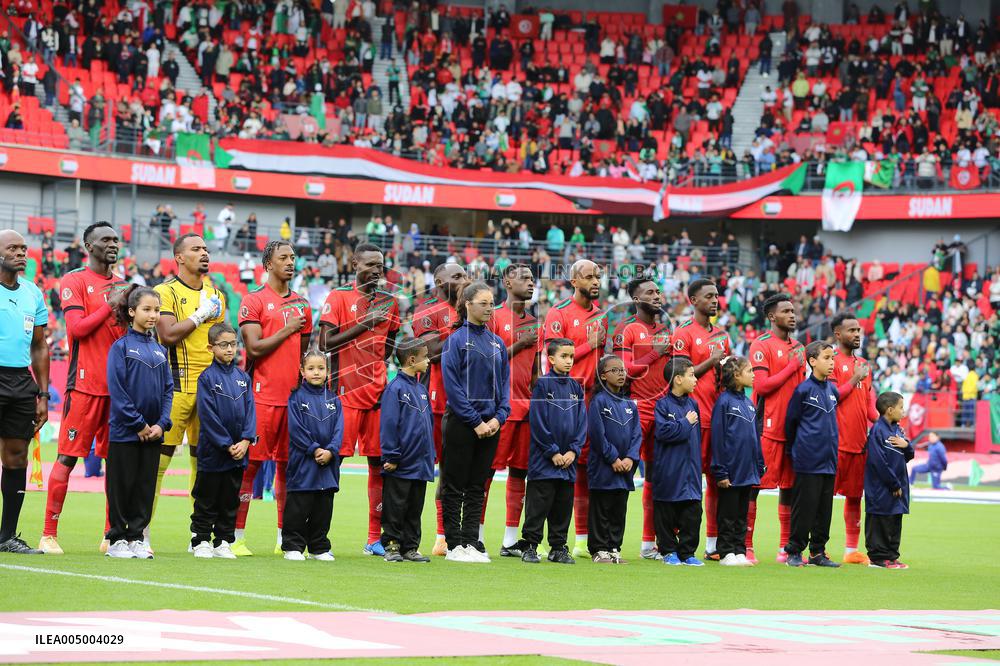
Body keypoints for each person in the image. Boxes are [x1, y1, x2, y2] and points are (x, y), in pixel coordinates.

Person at [41, 222, 126, 555]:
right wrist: (111, 304)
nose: (113, 245)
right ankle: (48, 534)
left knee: (116, 462)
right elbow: (76, 329)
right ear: (89, 246)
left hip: (118, 391)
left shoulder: (125, 286)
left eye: (116, 240)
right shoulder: (75, 280)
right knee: (67, 457)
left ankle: (111, 535)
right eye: (105, 240)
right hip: (85, 385)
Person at [319, 243, 400, 556]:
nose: (377, 270)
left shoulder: (390, 303)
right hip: (345, 394)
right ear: (354, 263)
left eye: (380, 265)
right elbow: (325, 342)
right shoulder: (339, 296)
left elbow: (390, 345)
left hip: (378, 393)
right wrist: (366, 323)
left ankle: (373, 539)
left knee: (379, 465)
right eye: (370, 264)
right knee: (333, 461)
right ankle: (319, 537)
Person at [235, 241, 313, 556]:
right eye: (283, 258)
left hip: (294, 401)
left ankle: (285, 538)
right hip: (261, 399)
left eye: (293, 258)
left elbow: (305, 354)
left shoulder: (303, 305)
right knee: (250, 468)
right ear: (268, 263)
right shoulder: (253, 300)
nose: (291, 263)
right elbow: (254, 349)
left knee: (288, 469)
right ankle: (236, 537)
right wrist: (286, 328)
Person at [150, 234, 226, 549]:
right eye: (196, 249)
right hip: (175, 387)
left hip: (209, 390)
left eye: (206, 249)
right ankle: (138, 533)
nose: (204, 254)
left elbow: (223, 341)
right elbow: (166, 335)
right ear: (179, 257)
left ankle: (200, 537)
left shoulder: (217, 294)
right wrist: (199, 315)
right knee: (158, 464)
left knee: (204, 465)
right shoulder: (164, 292)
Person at [440, 281, 510, 563]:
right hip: (461, 423)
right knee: (454, 484)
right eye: (484, 303)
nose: (490, 308)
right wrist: (475, 421)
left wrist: (498, 418)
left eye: (492, 303)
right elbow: (453, 386)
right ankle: (453, 544)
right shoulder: (456, 340)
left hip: (490, 425)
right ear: (468, 304)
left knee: (477, 486)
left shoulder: (497, 343)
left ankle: (471, 541)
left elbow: (504, 386)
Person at [543, 259, 606, 558]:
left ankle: (581, 540)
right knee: (551, 470)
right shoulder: (558, 313)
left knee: (584, 469)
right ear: (573, 281)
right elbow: (554, 356)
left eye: (598, 277)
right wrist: (590, 344)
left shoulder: (601, 316)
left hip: (592, 401)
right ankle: (540, 538)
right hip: (562, 400)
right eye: (589, 277)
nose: (595, 281)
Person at [105, 286, 173, 559]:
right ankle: (117, 540)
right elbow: (118, 391)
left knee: (145, 487)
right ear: (132, 312)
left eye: (156, 310)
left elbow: (168, 390)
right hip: (125, 433)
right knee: (122, 486)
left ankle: (136, 537)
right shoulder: (120, 347)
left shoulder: (159, 349)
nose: (153, 315)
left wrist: (161, 424)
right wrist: (139, 424)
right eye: (146, 309)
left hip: (154, 434)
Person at [671, 278, 731, 561]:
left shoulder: (722, 335)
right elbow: (680, 373)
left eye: (716, 295)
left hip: (718, 418)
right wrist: (713, 359)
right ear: (693, 301)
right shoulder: (683, 333)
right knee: (688, 481)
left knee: (718, 481)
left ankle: (713, 544)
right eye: (708, 296)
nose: (714, 300)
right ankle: (673, 543)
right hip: (692, 417)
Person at [612, 277, 671, 561]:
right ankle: (609, 544)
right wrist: (654, 353)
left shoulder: (664, 330)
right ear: (636, 299)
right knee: (622, 475)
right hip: (635, 408)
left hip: (661, 410)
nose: (657, 295)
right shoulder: (627, 329)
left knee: (656, 480)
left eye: (658, 291)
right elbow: (624, 370)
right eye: (650, 292)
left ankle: (650, 543)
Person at [412, 262, 468, 556]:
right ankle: (401, 534)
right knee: (421, 471)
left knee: (453, 473)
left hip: (465, 405)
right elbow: (430, 353)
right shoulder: (426, 310)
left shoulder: (475, 311)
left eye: (466, 275)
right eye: (457, 276)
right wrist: (459, 326)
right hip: (433, 403)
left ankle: (444, 536)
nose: (464, 280)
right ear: (438, 281)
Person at [0, 230, 50, 555]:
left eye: (23, 248)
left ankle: (6, 536)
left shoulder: (33, 293)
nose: (21, 253)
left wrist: (43, 395)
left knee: (16, 457)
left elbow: (40, 345)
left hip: (21, 382)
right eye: (12, 248)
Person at [747, 293, 805, 563]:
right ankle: (747, 545)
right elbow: (761, 386)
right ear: (772, 316)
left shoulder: (800, 346)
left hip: (795, 430)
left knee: (791, 488)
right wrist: (793, 365)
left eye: (793, 310)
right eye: (786, 311)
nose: (792, 315)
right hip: (767, 426)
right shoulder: (761, 344)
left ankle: (785, 547)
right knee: (754, 486)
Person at [487, 265, 540, 557]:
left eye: (533, 279)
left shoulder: (534, 322)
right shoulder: (493, 316)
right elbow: (487, 361)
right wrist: (520, 343)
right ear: (507, 282)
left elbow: (535, 372)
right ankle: (476, 536)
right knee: (485, 472)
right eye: (524, 278)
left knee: (521, 472)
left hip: (526, 408)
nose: (531, 283)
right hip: (497, 407)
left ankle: (509, 541)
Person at [190, 323, 255, 559]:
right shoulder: (206, 378)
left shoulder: (242, 378)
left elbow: (250, 412)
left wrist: (246, 441)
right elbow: (207, 415)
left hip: (238, 453)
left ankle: (223, 541)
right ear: (211, 347)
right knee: (206, 498)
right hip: (213, 452)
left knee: (230, 500)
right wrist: (227, 444)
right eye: (223, 345)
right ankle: (201, 539)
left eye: (233, 344)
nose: (229, 349)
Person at [521, 338, 585, 565]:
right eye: (564, 356)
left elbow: (581, 424)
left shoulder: (576, 387)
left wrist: (573, 451)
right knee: (538, 506)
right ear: (550, 359)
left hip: (568, 462)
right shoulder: (543, 385)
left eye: (571, 357)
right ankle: (529, 545)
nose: (569, 361)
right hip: (544, 462)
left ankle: (558, 547)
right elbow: (538, 422)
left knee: (562, 507)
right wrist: (553, 451)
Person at [783, 341, 841, 568]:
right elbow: (791, 423)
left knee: (824, 510)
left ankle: (818, 552)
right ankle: (794, 551)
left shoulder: (833, 390)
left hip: (829, 460)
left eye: (833, 358)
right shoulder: (803, 390)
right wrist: (794, 451)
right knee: (804, 508)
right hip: (808, 460)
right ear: (812, 361)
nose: (831, 362)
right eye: (826, 358)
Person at [282, 350, 343, 561]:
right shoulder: (296, 398)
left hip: (328, 464)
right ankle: (293, 546)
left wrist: (331, 451)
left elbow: (339, 430)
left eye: (320, 368)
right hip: (304, 463)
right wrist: (316, 449)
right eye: (311, 368)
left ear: (327, 371)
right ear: (302, 371)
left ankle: (319, 547)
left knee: (323, 507)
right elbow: (296, 430)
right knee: (299, 505)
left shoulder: (334, 399)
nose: (316, 372)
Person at [379, 337, 434, 563]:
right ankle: (392, 546)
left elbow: (427, 425)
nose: (429, 360)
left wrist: (430, 455)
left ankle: (410, 547)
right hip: (400, 463)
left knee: (414, 508)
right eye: (425, 357)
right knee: (395, 507)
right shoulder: (395, 388)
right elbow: (389, 424)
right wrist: (391, 455)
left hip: (420, 463)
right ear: (412, 360)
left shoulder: (421, 389)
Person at [830, 311, 879, 565]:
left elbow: (869, 407)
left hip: (859, 443)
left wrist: (885, 424)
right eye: (852, 330)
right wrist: (854, 377)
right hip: (835, 443)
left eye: (859, 330)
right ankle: (817, 547)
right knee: (823, 497)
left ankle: (851, 551)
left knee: (854, 497)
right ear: (838, 334)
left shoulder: (864, 366)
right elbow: (831, 397)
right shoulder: (830, 361)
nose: (857, 334)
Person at [711, 356, 764, 567]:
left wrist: (759, 464)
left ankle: (739, 550)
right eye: (749, 370)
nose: (753, 374)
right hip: (731, 471)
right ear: (736, 375)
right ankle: (725, 552)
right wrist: (721, 471)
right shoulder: (724, 402)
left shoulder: (749, 403)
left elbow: (754, 437)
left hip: (747, 470)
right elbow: (718, 437)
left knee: (742, 514)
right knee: (728, 514)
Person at [587, 355, 640, 563]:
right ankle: (599, 549)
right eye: (615, 370)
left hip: (625, 469)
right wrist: (613, 458)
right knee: (601, 508)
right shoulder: (598, 401)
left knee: (619, 509)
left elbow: (637, 435)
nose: (621, 374)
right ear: (603, 376)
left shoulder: (629, 404)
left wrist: (630, 458)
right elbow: (597, 435)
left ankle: (614, 548)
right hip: (604, 467)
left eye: (622, 370)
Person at [652, 357, 704, 567]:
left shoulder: (693, 404)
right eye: (691, 375)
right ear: (678, 379)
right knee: (666, 512)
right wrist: (685, 423)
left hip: (691, 470)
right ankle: (668, 551)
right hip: (669, 470)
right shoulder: (662, 405)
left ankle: (687, 552)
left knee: (693, 512)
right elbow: (663, 432)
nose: (696, 379)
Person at [865, 392, 914, 569]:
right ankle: (878, 558)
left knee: (894, 519)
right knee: (880, 520)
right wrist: (893, 483)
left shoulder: (897, 430)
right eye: (901, 407)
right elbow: (878, 461)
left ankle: (892, 556)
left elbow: (909, 456)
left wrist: (906, 445)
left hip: (898, 485)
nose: (903, 411)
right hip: (882, 487)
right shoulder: (878, 431)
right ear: (890, 410)